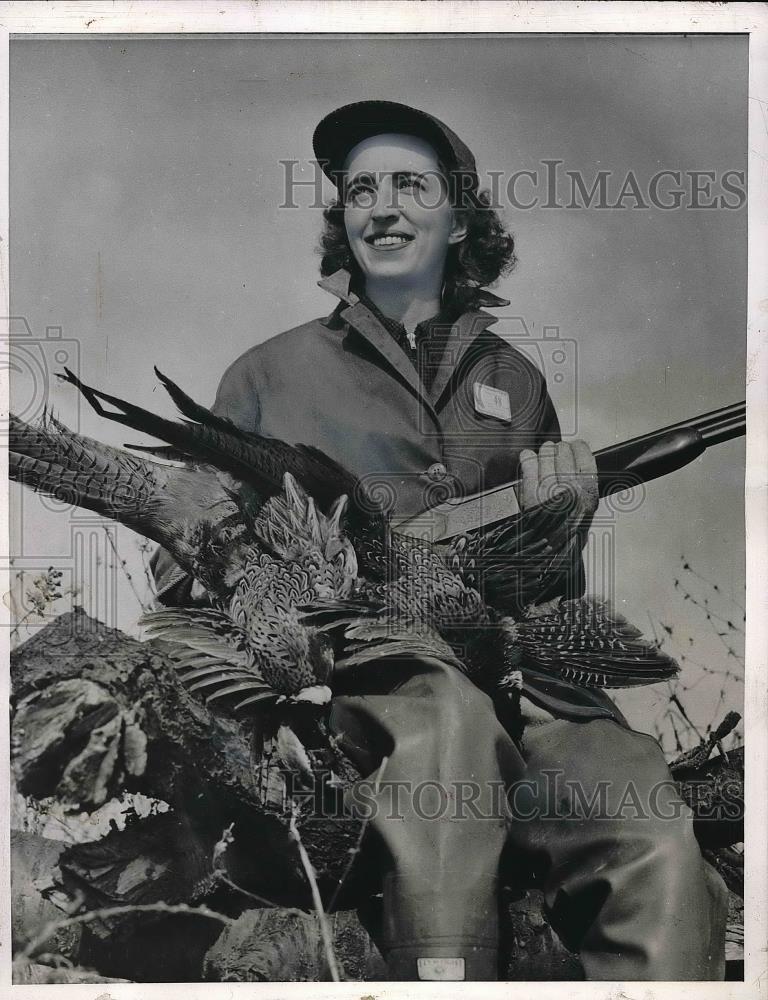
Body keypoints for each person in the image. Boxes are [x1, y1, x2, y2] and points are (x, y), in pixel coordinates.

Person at [152, 101, 728, 982]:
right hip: (366, 678)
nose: (382, 207)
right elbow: (180, 553)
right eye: (361, 191)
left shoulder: (516, 380)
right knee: (444, 726)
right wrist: (296, 592)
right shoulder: (267, 373)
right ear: (343, 221)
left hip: (525, 681)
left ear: (460, 218)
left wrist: (556, 525)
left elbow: (555, 598)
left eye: (410, 185)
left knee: (640, 805)